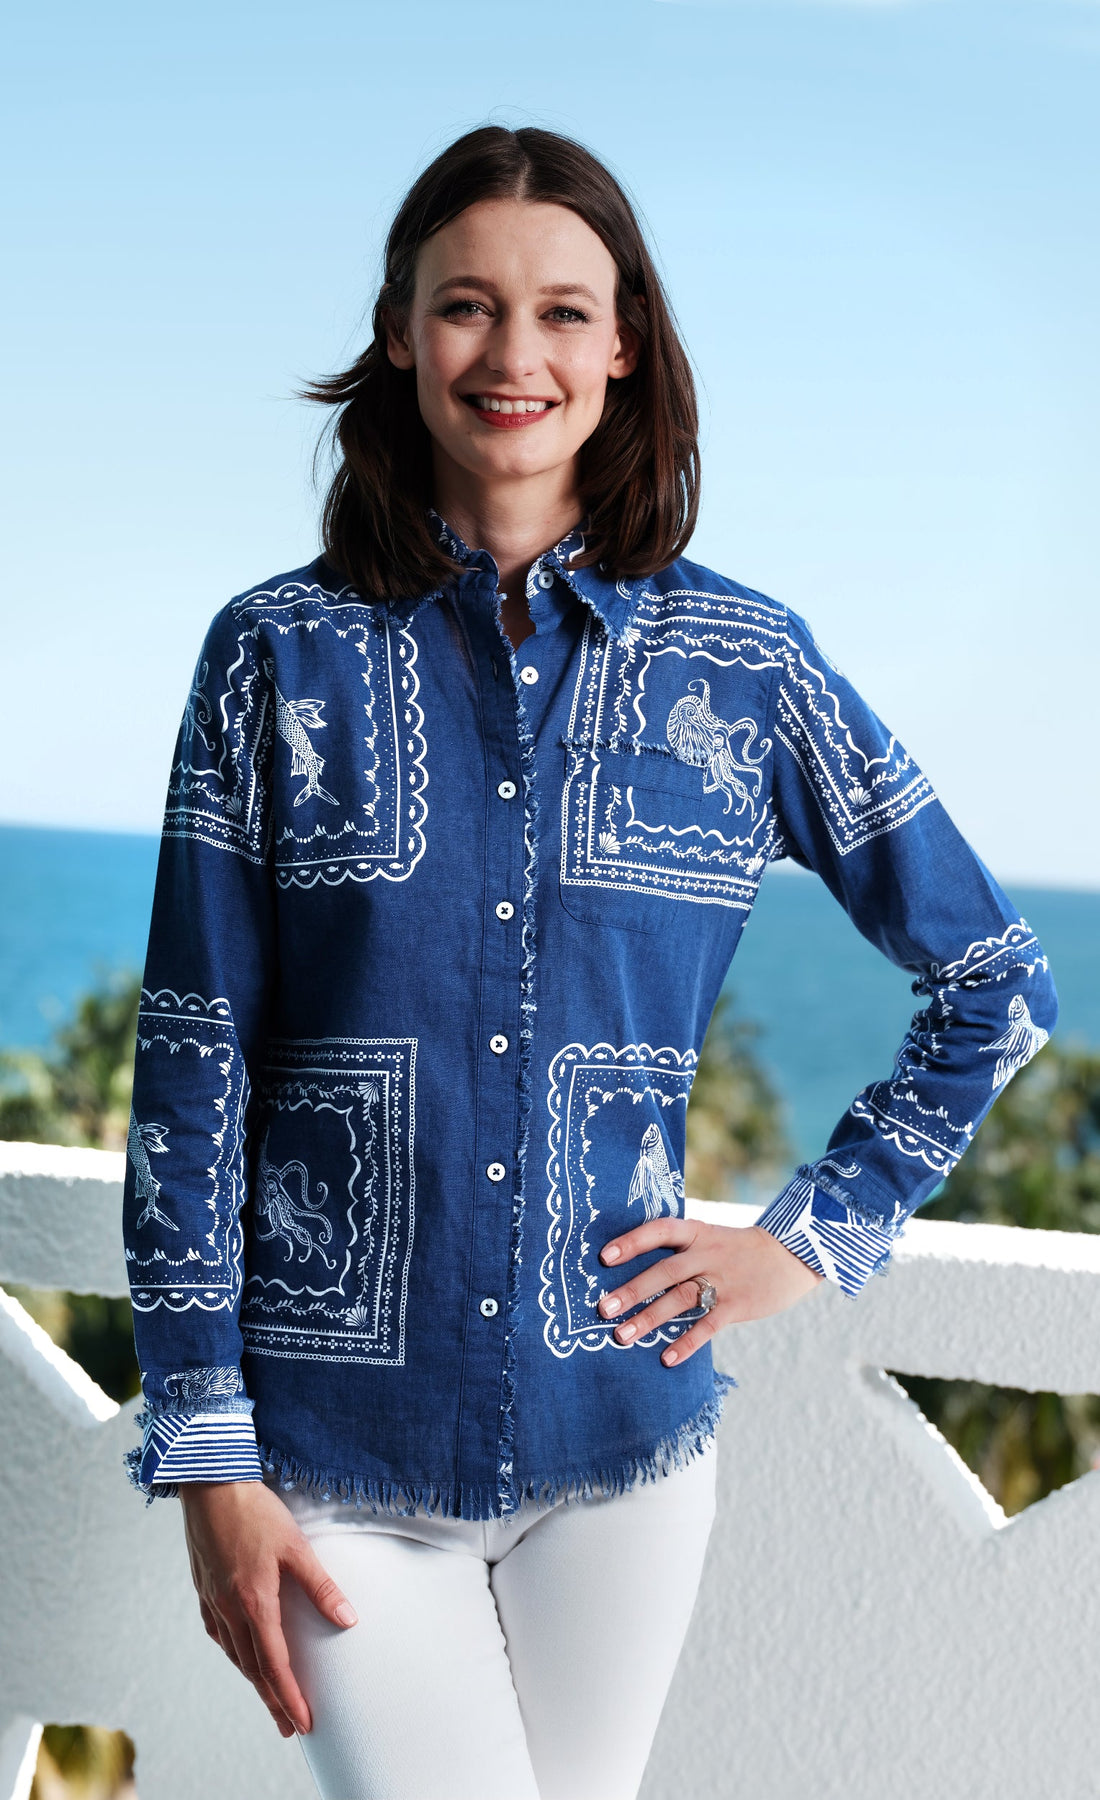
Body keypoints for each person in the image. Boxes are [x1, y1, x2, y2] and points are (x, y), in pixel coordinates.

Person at [121, 124, 1058, 1800]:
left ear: (623, 347)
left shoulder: (747, 667)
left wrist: (812, 1238)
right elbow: (196, 1060)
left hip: (624, 1450)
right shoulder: (273, 656)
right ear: (399, 333)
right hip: (336, 1459)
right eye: (466, 305)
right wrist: (205, 1453)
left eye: (564, 311)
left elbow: (994, 979)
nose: (516, 353)